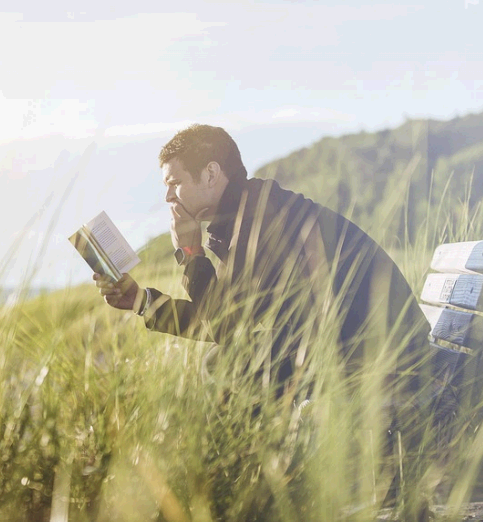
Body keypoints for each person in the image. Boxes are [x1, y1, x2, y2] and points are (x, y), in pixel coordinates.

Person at [93, 124, 435, 518]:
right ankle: (264, 497)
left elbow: (223, 327)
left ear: (210, 173)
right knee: (231, 364)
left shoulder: (259, 220)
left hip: (383, 355)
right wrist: (140, 300)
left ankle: (265, 500)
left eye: (174, 183)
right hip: (355, 343)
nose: (168, 196)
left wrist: (189, 251)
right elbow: (226, 321)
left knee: (229, 368)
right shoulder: (248, 213)